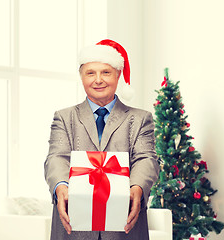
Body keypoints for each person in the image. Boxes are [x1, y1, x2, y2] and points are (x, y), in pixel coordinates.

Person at [44, 39, 159, 240]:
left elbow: (146, 159)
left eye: (106, 72)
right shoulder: (64, 117)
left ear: (118, 75)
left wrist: (137, 187)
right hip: (74, 226)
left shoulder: (141, 119)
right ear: (81, 77)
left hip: (124, 226)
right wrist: (60, 186)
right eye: (91, 73)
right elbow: (56, 157)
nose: (98, 80)